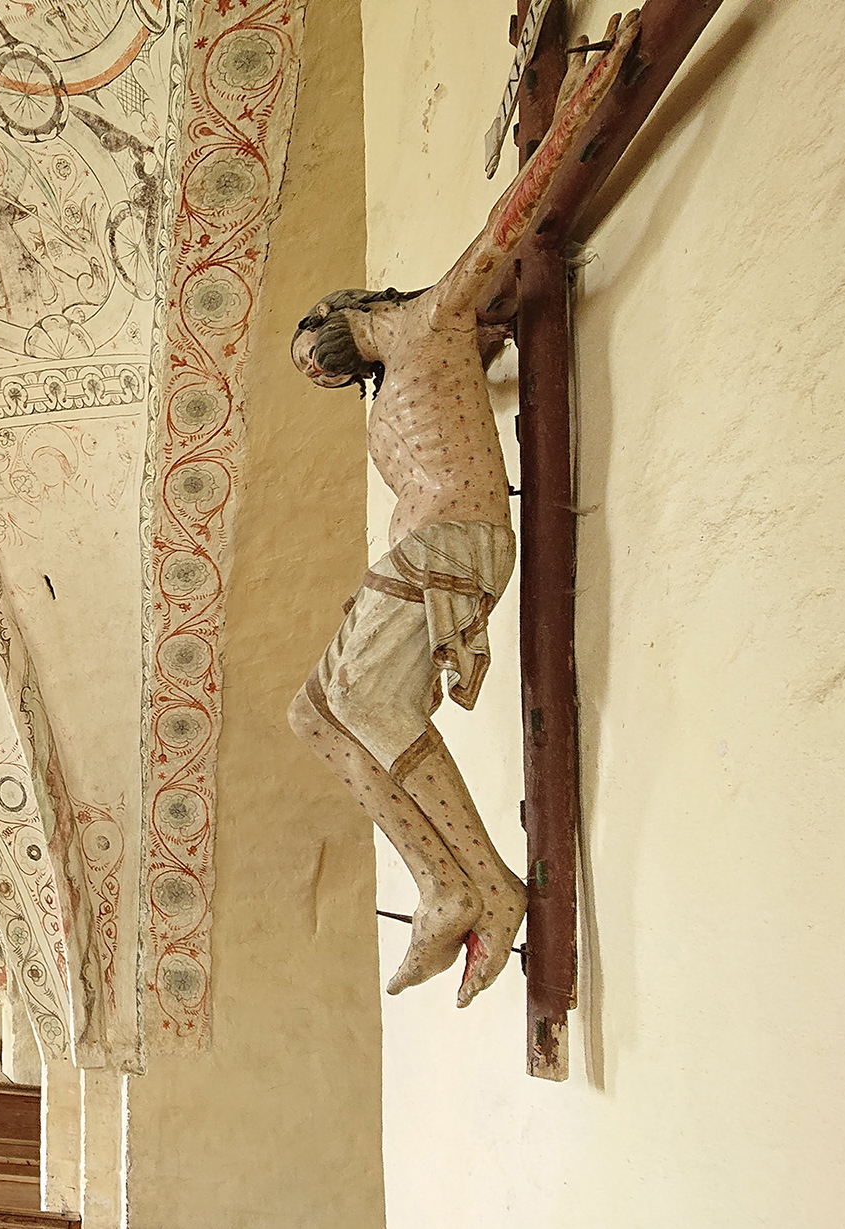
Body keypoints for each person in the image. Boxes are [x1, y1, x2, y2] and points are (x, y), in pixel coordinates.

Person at [287, 14, 639, 1006]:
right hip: (421, 550)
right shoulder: (411, 368)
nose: (314, 367)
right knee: (312, 711)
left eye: (311, 347)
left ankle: (476, 884)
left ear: (342, 308)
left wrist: (586, 98)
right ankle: (446, 881)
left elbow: (509, 221)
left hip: (454, 537)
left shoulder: (433, 317)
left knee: (368, 701)